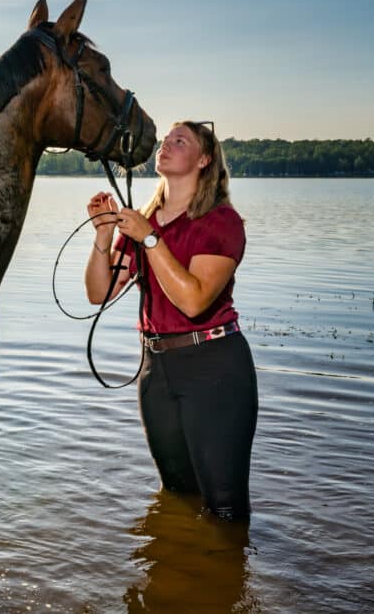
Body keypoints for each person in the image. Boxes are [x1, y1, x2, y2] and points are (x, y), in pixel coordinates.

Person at [83, 120, 257, 520]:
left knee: (225, 510)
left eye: (181, 141)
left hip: (213, 369)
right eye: (166, 140)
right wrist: (103, 236)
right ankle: (178, 574)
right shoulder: (143, 221)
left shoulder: (220, 221)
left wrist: (149, 239)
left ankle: (229, 578)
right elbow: (99, 293)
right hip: (154, 371)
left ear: (204, 159)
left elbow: (194, 300)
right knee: (175, 498)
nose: (167, 145)